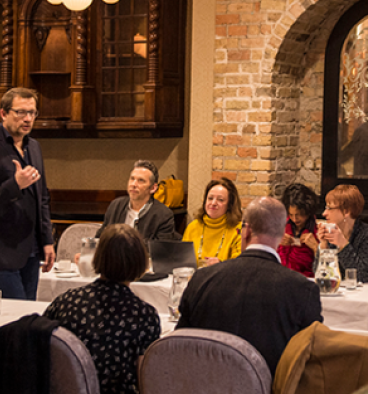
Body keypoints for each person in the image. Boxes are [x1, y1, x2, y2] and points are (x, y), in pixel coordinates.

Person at [176, 197, 322, 375]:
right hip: (271, 386)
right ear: (281, 234)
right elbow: (312, 359)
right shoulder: (302, 289)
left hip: (206, 383)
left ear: (245, 232)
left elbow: (180, 343)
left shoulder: (202, 278)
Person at [45, 224, 160, 394]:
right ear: (140, 262)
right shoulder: (144, 315)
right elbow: (146, 380)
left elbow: (43, 346)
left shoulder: (65, 302)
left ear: (98, 257)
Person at [0, 87, 55, 300]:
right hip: (0, 250)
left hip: (31, 248)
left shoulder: (34, 147)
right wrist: (14, 185)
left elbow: (41, 198)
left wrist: (47, 240)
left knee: (28, 312)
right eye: (21, 112)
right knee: (15, 315)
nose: (27, 119)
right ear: (3, 113)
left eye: (32, 113)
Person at [320, 184, 368, 283]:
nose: (324, 213)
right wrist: (323, 246)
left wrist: (343, 244)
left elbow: (361, 275)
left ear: (346, 212)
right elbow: (322, 274)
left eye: (329, 208)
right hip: (343, 291)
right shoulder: (332, 232)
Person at [95, 160, 177, 242]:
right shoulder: (116, 205)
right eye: (132, 179)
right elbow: (100, 239)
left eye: (141, 180)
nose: (133, 184)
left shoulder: (163, 215)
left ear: (153, 188)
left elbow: (161, 250)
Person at [182, 178, 242, 266]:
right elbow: (183, 260)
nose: (213, 203)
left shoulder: (238, 229)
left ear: (230, 205)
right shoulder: (193, 227)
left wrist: (221, 264)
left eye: (220, 200)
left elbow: (240, 264)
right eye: (210, 198)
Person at [278, 183, 319, 277]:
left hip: (306, 281)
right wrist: (276, 242)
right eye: (291, 215)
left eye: (300, 214)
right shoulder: (281, 226)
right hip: (280, 278)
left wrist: (316, 248)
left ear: (308, 211)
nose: (295, 219)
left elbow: (328, 268)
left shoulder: (319, 231)